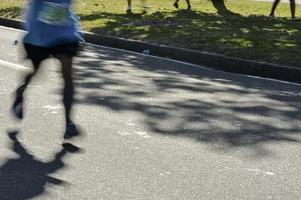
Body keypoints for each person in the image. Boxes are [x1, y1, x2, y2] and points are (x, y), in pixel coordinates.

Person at [11, 0, 83, 139]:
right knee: (35, 71)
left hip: (64, 35)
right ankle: (20, 92)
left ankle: (68, 123)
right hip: (39, 35)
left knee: (67, 74)